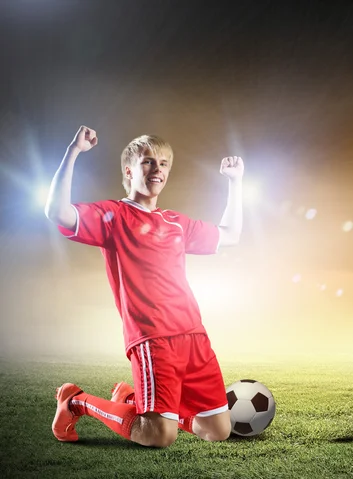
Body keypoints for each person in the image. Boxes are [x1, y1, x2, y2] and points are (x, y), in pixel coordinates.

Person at [45, 125, 243, 447]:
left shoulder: (176, 223)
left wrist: (235, 182)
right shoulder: (114, 216)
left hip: (194, 336)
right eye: (148, 161)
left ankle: (133, 399)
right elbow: (57, 212)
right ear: (129, 170)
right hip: (153, 339)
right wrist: (73, 152)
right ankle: (75, 401)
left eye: (164, 163)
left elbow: (231, 236)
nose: (157, 169)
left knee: (217, 431)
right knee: (160, 437)